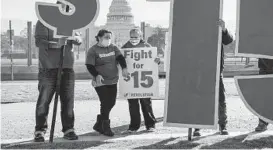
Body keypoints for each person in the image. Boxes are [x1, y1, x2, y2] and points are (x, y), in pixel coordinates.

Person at [34, 1, 82, 142]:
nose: (65, 8)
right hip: (48, 67)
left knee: (68, 101)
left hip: (67, 67)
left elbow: (79, 39)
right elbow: (39, 41)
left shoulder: (71, 20)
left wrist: (74, 38)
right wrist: (58, 43)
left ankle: (69, 129)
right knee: (44, 101)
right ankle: (40, 130)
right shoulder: (43, 20)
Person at [193, 19, 233, 136]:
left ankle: (223, 126)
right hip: (200, 70)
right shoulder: (197, 28)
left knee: (220, 99)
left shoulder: (217, 25)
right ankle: (197, 126)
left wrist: (224, 29)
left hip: (216, 70)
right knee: (199, 98)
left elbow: (228, 41)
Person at [85, 29, 129, 137]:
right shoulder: (93, 50)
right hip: (100, 81)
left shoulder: (113, 47)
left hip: (113, 80)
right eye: (106, 37)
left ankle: (99, 123)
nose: (108, 39)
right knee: (105, 102)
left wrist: (124, 68)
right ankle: (106, 126)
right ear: (99, 38)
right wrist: (96, 75)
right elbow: (89, 65)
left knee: (111, 102)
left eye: (109, 37)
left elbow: (120, 58)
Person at [121, 28, 162, 133]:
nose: (133, 39)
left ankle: (150, 125)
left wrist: (158, 60)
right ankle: (134, 126)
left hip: (144, 81)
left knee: (146, 103)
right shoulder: (125, 48)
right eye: (132, 37)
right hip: (131, 81)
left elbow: (155, 61)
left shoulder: (147, 47)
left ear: (140, 37)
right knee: (132, 104)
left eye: (136, 37)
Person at [254, 58, 273, 132]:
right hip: (264, 68)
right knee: (263, 97)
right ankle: (262, 122)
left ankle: (263, 122)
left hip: (264, 66)